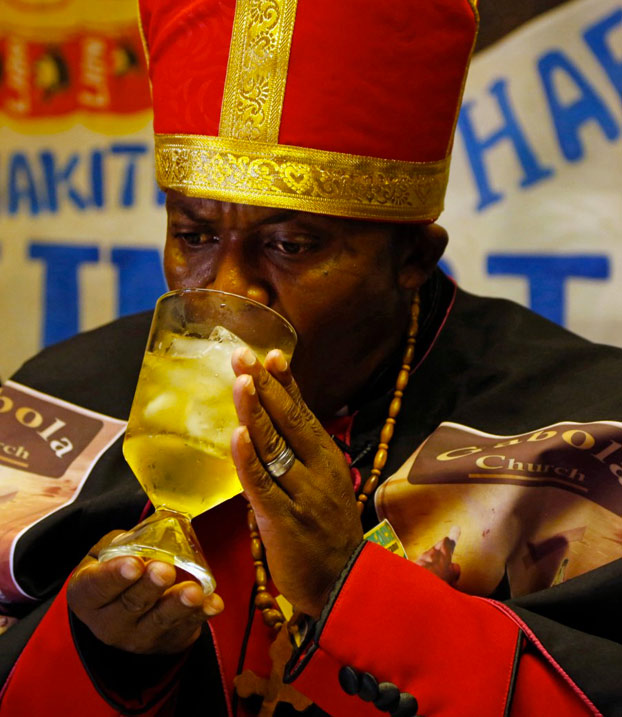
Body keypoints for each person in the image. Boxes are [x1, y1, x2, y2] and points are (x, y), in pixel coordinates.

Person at [2, 1, 622, 715]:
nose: (229, 292)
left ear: (412, 258)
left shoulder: (583, 443)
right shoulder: (63, 397)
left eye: (290, 245)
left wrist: (352, 586)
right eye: (194, 234)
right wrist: (105, 657)